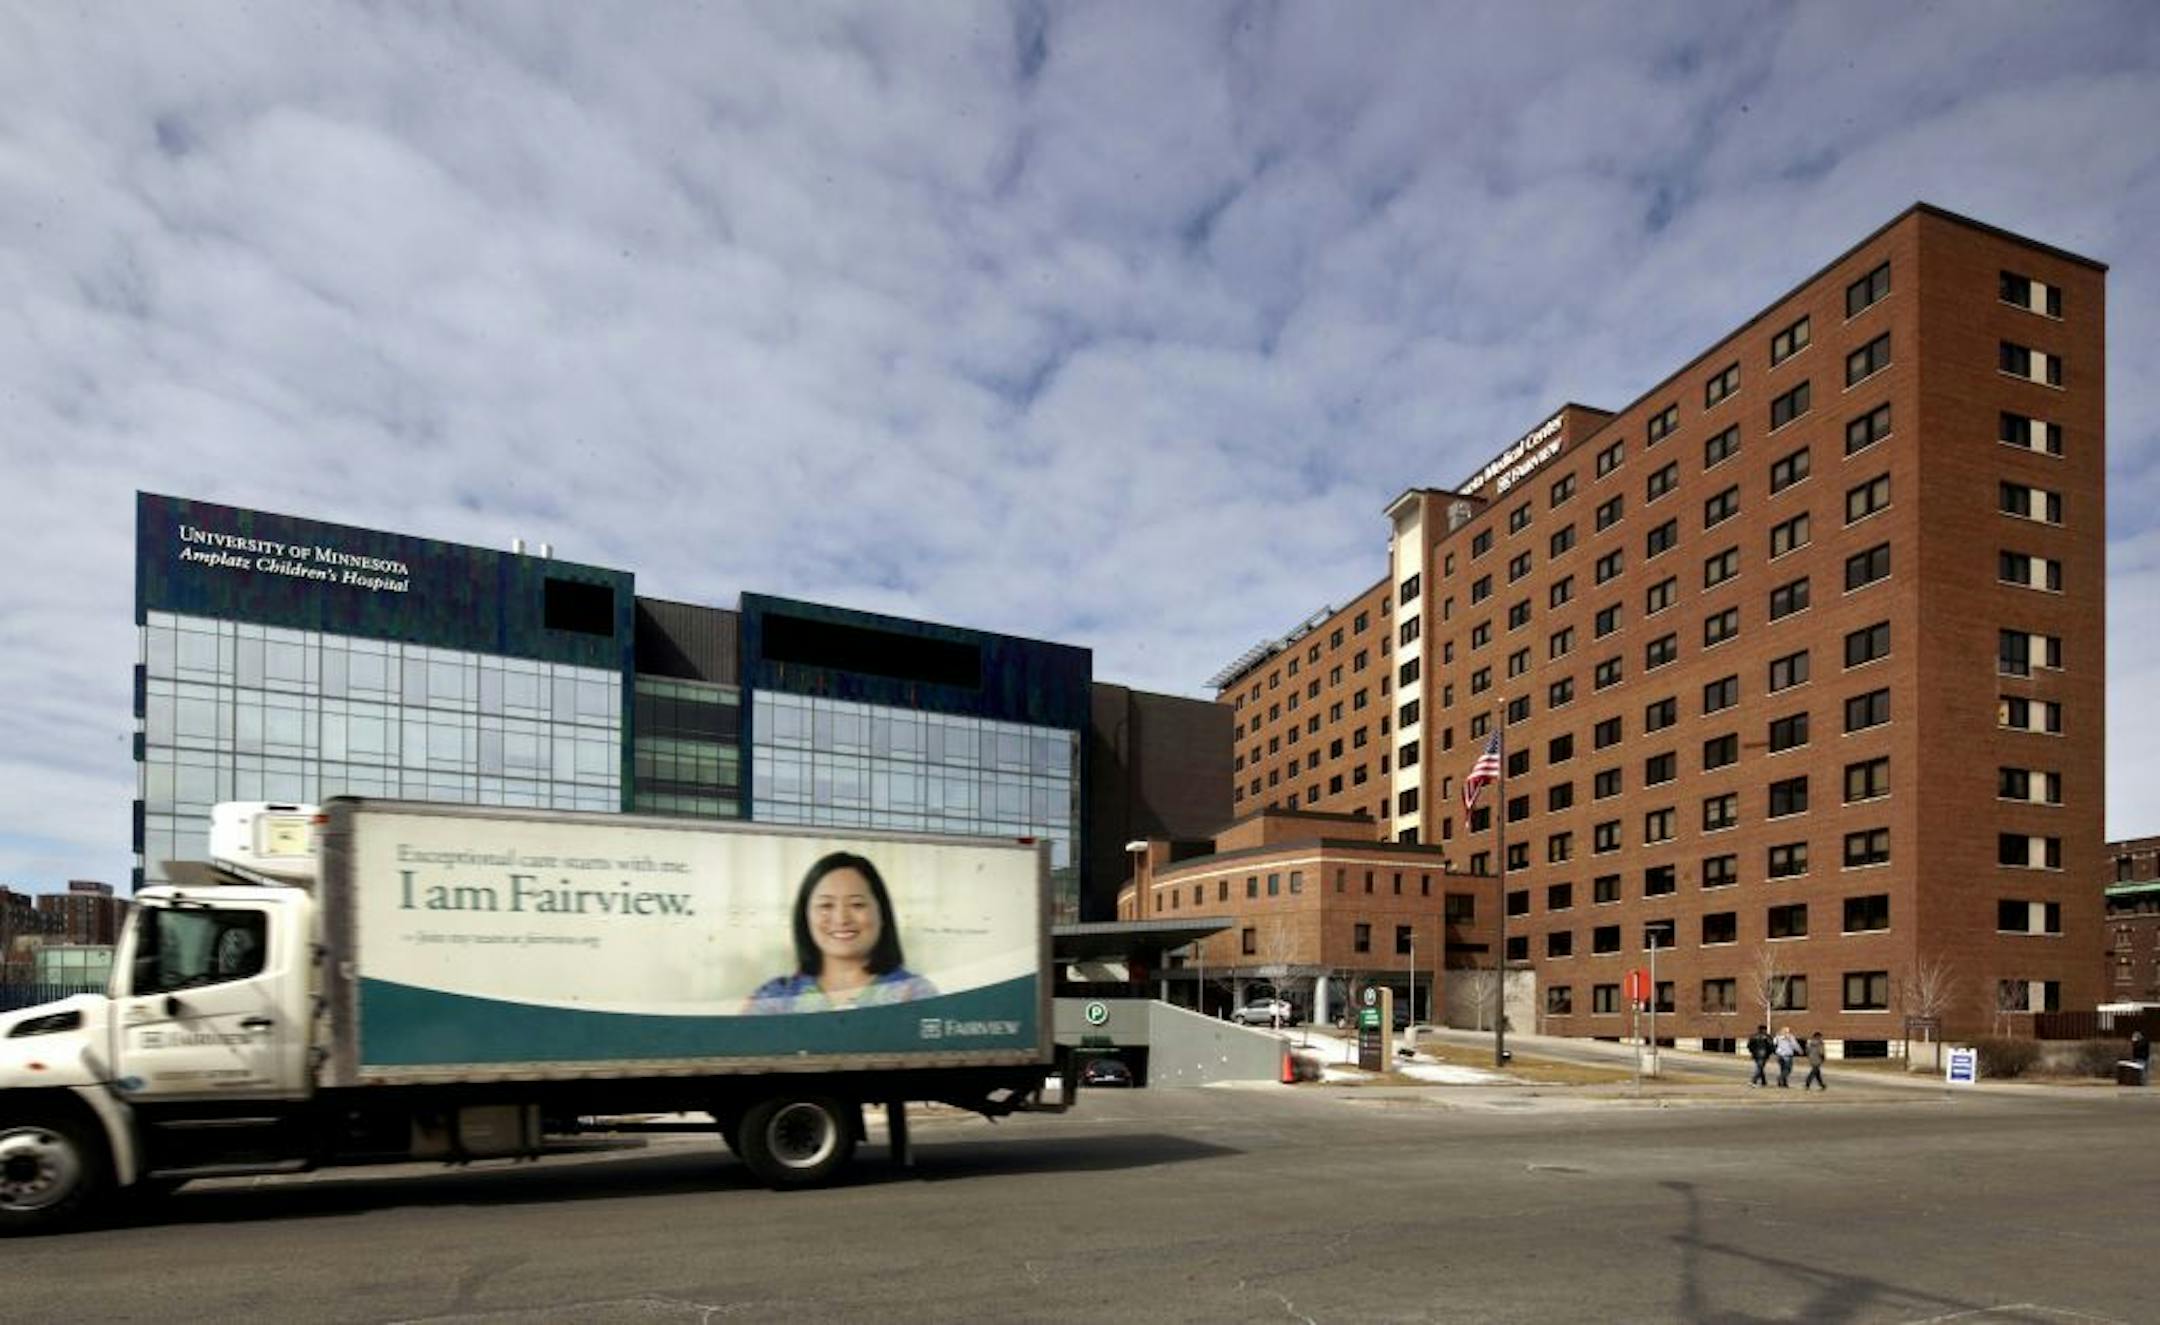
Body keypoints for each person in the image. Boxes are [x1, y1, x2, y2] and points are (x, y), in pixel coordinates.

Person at [742, 852, 938, 1013]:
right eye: (826, 905)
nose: (841, 919)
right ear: (805, 916)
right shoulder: (774, 1000)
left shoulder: (915, 995)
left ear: (882, 913)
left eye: (857, 904)